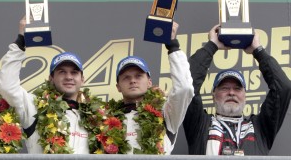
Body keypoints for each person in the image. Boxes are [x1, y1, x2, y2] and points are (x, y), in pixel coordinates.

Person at [183, 24, 291, 155]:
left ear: (245, 95)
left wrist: (258, 51)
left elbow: (283, 88)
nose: (231, 92)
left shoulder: (260, 128)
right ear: (213, 95)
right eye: (224, 88)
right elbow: (187, 84)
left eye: (237, 88)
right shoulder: (200, 124)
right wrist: (211, 46)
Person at [0, 17, 90, 154]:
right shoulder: (34, 107)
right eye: (62, 72)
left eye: (74, 72)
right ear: (51, 79)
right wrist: (21, 40)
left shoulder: (94, 117)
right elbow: (7, 86)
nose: (69, 77)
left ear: (82, 79)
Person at [115, 22, 194, 154]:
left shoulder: (165, 111)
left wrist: (173, 46)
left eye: (139, 76)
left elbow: (184, 88)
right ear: (118, 87)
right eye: (126, 77)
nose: (133, 80)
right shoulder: (106, 118)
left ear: (149, 82)